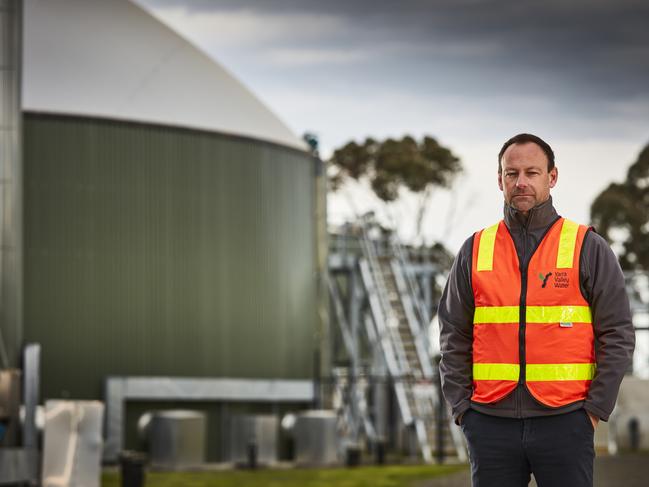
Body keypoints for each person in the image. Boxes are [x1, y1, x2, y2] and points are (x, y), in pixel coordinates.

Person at [438, 133, 635, 487]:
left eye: (532, 172)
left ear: (552, 177)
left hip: (566, 421)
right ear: (499, 180)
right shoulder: (475, 249)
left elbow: (618, 333)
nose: (521, 182)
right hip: (489, 422)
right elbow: (453, 332)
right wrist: (462, 409)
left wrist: (593, 410)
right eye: (511, 174)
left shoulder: (587, 247)